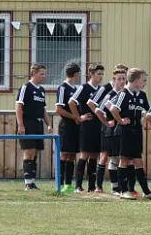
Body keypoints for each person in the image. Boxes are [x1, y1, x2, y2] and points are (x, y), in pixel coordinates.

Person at [110, 68, 151, 200]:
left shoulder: (142, 95)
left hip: (137, 131)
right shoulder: (123, 94)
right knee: (124, 160)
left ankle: (146, 191)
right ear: (136, 81)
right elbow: (113, 109)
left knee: (138, 161)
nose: (145, 83)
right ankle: (123, 191)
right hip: (125, 132)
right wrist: (120, 121)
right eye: (144, 80)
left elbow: (150, 111)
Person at [68, 64, 105, 193]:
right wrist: (78, 117)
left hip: (98, 125)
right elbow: (71, 102)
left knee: (95, 155)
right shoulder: (83, 88)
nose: (101, 77)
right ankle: (78, 185)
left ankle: (91, 185)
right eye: (98, 74)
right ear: (91, 74)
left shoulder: (102, 90)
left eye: (102, 74)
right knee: (85, 154)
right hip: (87, 126)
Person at [15, 63, 52, 191]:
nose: (44, 76)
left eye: (45, 74)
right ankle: (27, 183)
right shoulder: (26, 87)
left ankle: (32, 182)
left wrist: (48, 125)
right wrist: (20, 124)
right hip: (28, 122)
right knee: (29, 151)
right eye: (42, 73)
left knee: (35, 151)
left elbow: (43, 109)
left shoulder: (41, 90)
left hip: (38, 123)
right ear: (34, 73)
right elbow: (19, 106)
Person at [95, 64, 130, 194]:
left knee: (119, 158)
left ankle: (120, 187)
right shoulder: (110, 94)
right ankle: (111, 187)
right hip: (111, 130)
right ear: (114, 80)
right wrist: (107, 122)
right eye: (119, 79)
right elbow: (98, 110)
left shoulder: (124, 94)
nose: (121, 81)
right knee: (111, 158)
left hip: (120, 130)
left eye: (123, 79)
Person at [55, 63, 81, 193]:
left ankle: (68, 184)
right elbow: (58, 109)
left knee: (72, 155)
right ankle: (59, 183)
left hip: (75, 126)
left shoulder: (76, 89)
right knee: (64, 154)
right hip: (66, 125)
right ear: (76, 74)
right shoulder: (63, 88)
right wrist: (74, 117)